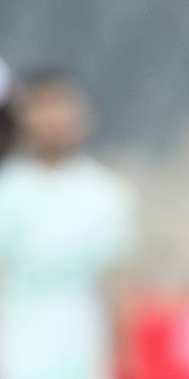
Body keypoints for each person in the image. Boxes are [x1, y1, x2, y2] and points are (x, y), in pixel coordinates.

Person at [0, 72, 135, 379]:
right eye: (41, 106)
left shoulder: (107, 194)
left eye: (60, 105)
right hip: (17, 344)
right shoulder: (7, 190)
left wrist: (125, 352)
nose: (52, 119)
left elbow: (115, 282)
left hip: (84, 344)